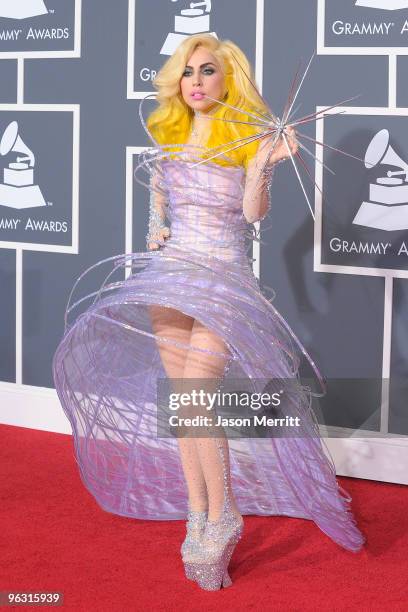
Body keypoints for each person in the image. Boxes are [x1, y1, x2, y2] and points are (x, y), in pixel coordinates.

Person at [52, 34, 365, 592]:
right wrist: (157, 230)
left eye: (208, 71)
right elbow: (158, 199)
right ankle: (200, 510)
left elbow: (251, 214)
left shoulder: (244, 136)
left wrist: (264, 163)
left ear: (228, 80)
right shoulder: (168, 133)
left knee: (199, 398)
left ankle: (223, 516)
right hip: (170, 278)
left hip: (223, 278)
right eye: (188, 71)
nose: (196, 81)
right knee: (185, 406)